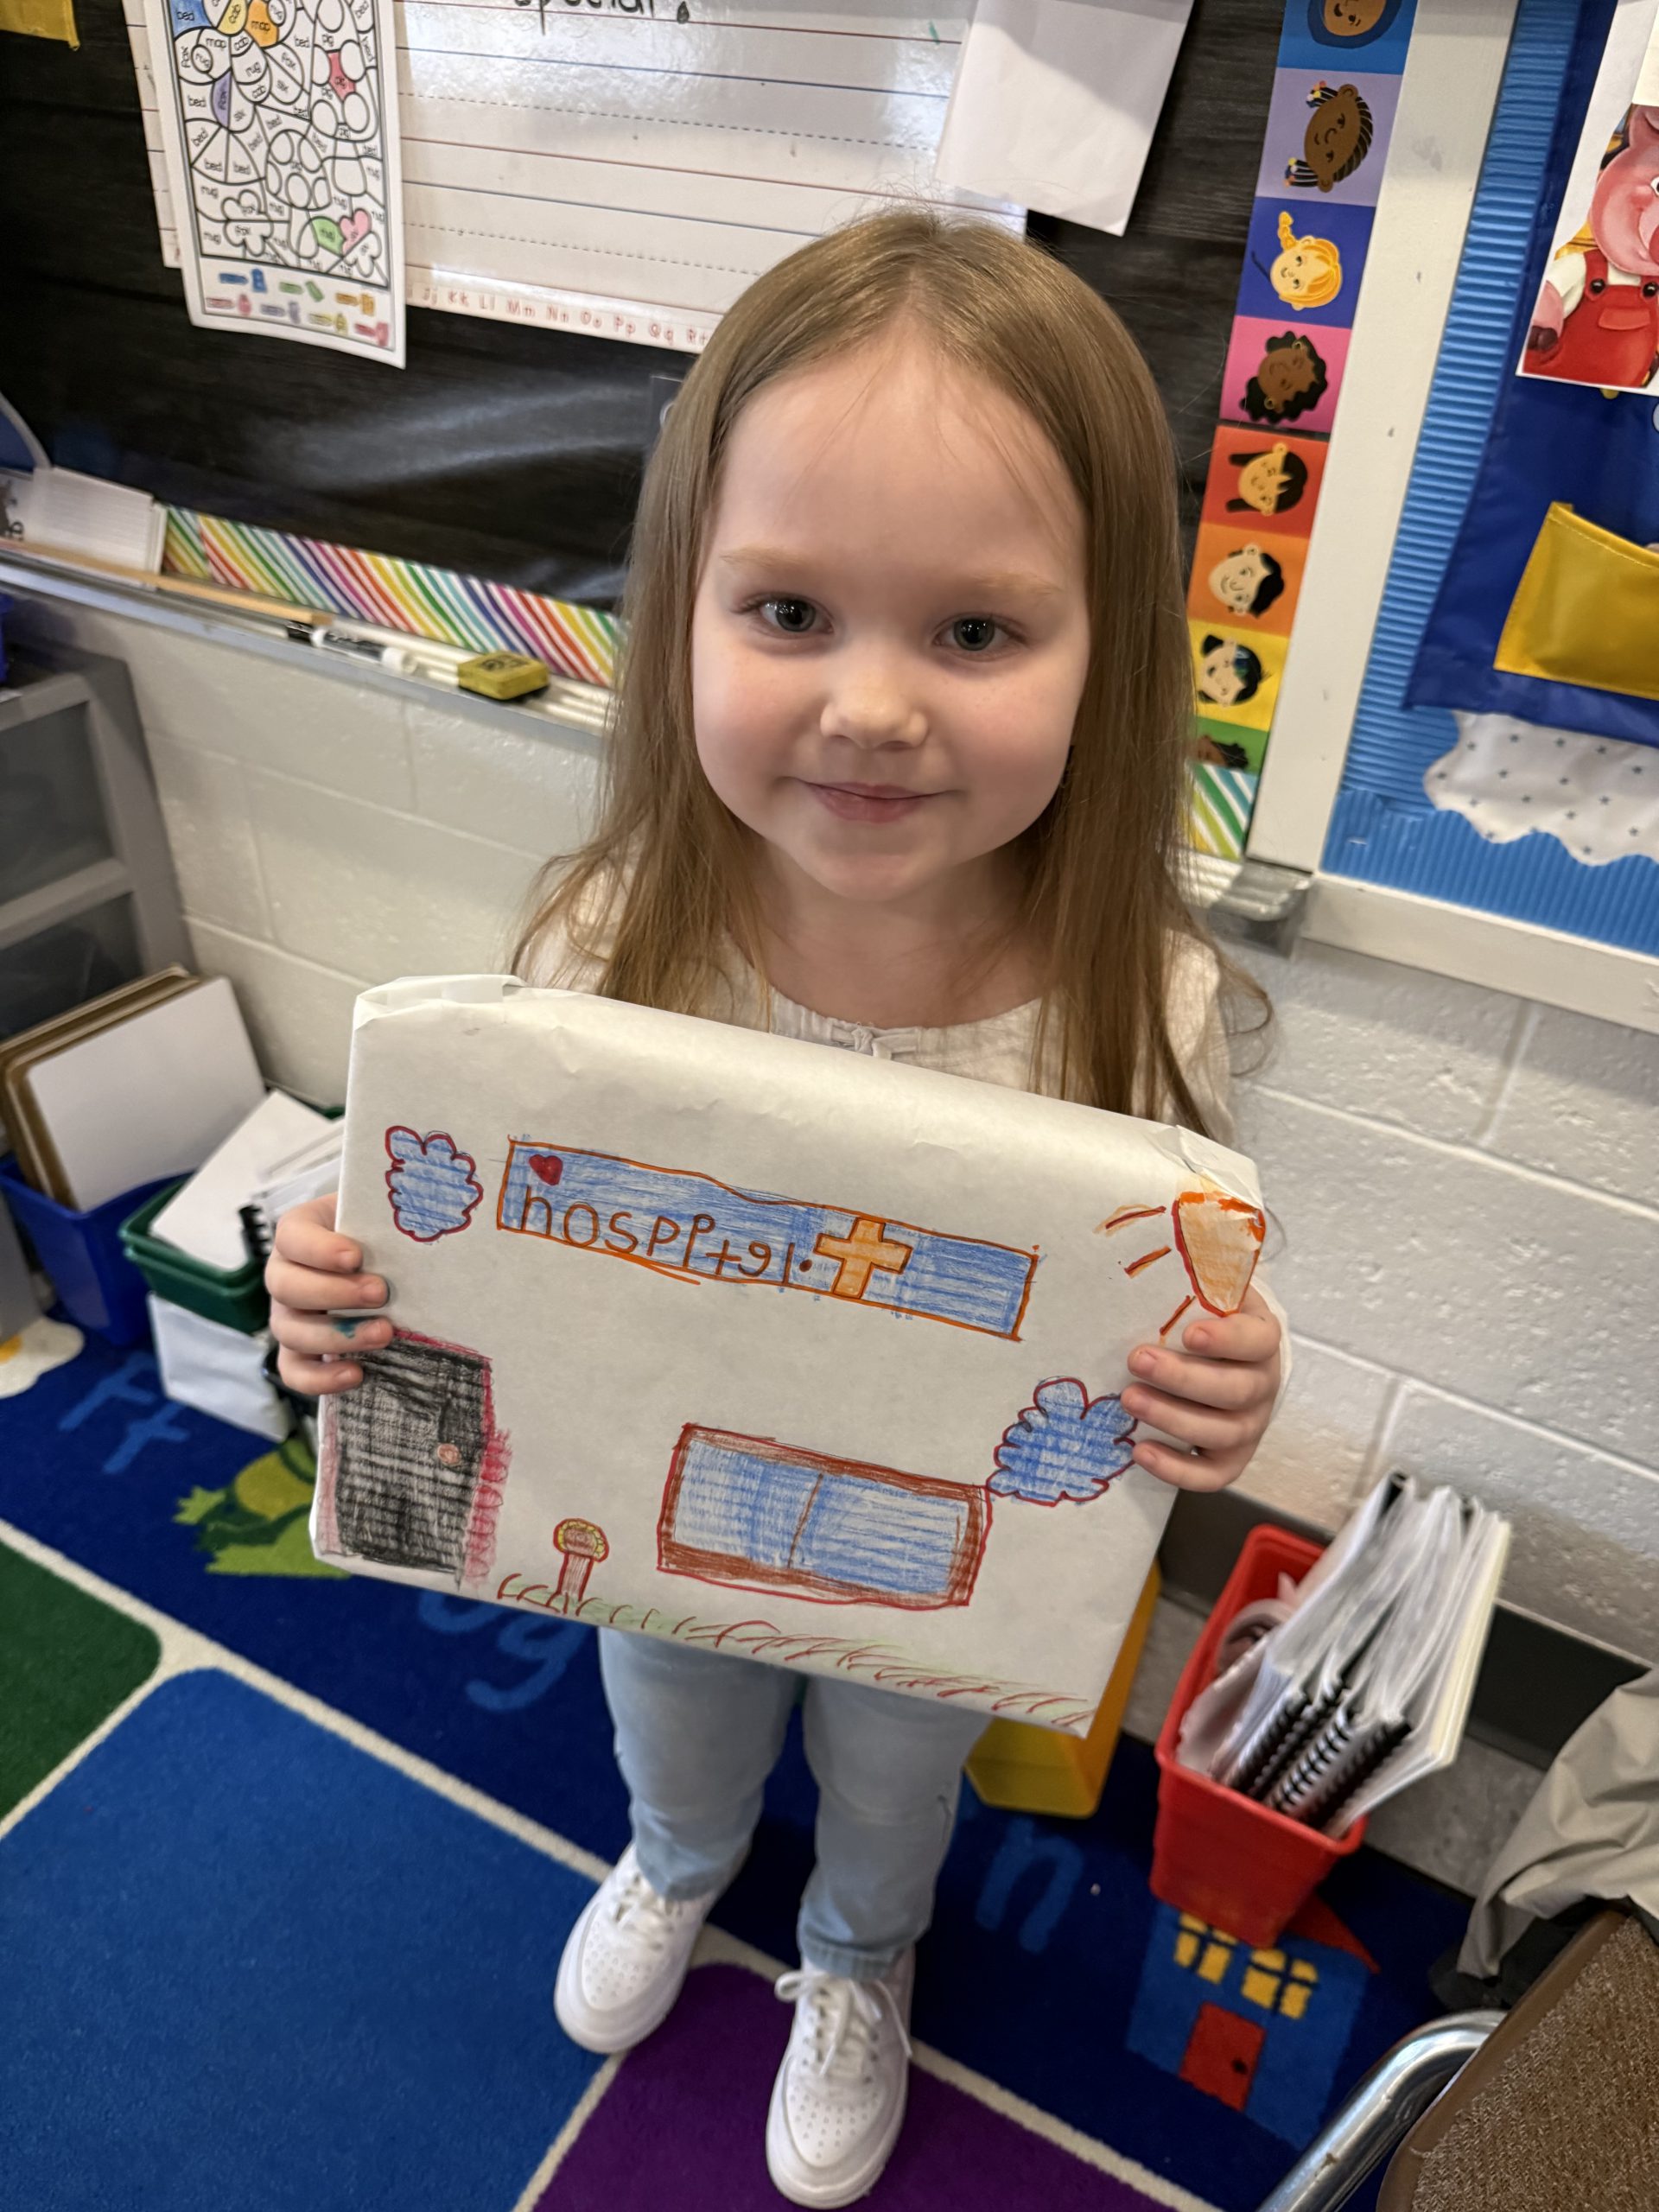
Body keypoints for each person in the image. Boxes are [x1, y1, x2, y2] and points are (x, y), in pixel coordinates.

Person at [266, 211, 1285, 2209]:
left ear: (1110, 653)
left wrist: (1222, 1389)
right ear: (684, 611)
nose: (873, 706)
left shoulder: (1135, 994)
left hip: (933, 1556)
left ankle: (857, 1951)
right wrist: (340, 1286)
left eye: (975, 632)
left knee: (897, 1780)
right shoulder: (601, 934)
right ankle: (677, 1858)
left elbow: (1168, 1309)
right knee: (675, 1711)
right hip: (659, 1506)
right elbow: (470, 1244)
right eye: (791, 610)